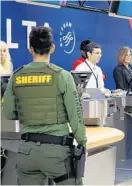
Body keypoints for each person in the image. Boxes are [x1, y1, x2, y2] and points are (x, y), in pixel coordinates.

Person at [2, 26, 86, 185]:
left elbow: (8, 113)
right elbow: (75, 116)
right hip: (57, 153)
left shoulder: (16, 76)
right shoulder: (62, 76)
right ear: (52, 48)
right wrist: (82, 141)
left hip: (26, 152)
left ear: (30, 48)